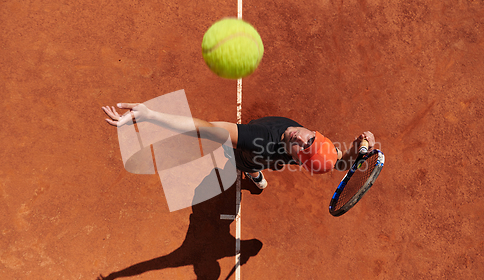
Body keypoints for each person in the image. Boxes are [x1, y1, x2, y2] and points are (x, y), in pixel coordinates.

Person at [102, 103, 375, 189]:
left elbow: (202, 128)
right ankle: (255, 173)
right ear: (320, 136)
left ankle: (251, 171)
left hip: (252, 154)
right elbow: (340, 162)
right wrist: (358, 149)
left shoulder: (258, 138)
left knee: (245, 161)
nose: (301, 139)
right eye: (311, 139)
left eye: (304, 148)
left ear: (299, 158)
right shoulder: (320, 157)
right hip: (271, 158)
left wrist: (151, 116)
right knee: (258, 163)